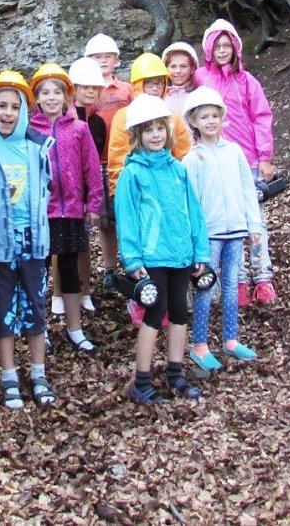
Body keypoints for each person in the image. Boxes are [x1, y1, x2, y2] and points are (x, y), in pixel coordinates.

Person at [115, 94, 209, 403]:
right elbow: (126, 217)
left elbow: (193, 212)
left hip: (181, 253)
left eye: (160, 128)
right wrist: (132, 258)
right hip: (152, 256)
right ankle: (142, 380)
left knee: (181, 311)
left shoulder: (178, 169)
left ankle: (175, 374)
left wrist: (200, 252)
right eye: (148, 130)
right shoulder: (133, 173)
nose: (155, 135)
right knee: (155, 313)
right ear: (137, 135)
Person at [0, 70, 56, 409]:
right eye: (1, 106)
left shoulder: (37, 147)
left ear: (24, 111)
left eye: (14, 107)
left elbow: (48, 188)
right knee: (2, 309)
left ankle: (38, 373)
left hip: (33, 241)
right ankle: (8, 375)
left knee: (36, 306)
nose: (7, 113)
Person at [193, 18, 277, 306]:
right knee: (227, 224)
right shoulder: (201, 78)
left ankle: (263, 278)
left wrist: (265, 157)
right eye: (217, 46)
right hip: (215, 160)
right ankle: (237, 282)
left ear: (236, 48)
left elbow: (261, 117)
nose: (222, 50)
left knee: (255, 221)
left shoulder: (247, 81)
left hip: (249, 159)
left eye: (227, 45)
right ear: (208, 49)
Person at [182, 87, 261, 371]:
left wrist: (254, 225)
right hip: (209, 235)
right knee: (205, 286)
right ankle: (199, 345)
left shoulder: (235, 151)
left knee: (231, 284)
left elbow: (247, 189)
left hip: (236, 230)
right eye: (204, 117)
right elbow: (190, 203)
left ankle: (231, 338)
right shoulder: (192, 160)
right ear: (194, 121)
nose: (211, 121)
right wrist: (195, 238)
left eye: (215, 115)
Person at [29, 63, 102, 356]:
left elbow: (92, 168)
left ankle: (75, 329)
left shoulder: (79, 129)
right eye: (44, 92)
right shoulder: (29, 131)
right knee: (39, 272)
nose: (50, 97)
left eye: (56, 92)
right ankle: (40, 329)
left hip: (71, 210)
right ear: (36, 97)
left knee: (70, 270)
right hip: (40, 213)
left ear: (66, 96)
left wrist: (93, 203)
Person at [49, 57, 106, 315]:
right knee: (57, 248)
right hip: (59, 198)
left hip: (81, 194)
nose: (90, 91)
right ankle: (57, 292)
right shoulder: (64, 117)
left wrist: (93, 198)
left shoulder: (95, 122)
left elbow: (93, 162)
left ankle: (84, 291)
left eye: (94, 87)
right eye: (85, 86)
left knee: (81, 246)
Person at [84, 33, 133, 292]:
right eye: (96, 57)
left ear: (116, 60)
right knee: (105, 221)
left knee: (126, 215)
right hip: (96, 163)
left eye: (107, 56)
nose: (102, 61)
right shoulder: (86, 90)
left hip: (124, 161)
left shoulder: (126, 90)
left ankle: (132, 265)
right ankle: (110, 269)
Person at [107, 52, 191, 200]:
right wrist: (118, 193)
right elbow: (118, 157)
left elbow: (184, 156)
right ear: (139, 85)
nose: (155, 88)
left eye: (159, 83)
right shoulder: (123, 116)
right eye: (149, 83)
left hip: (168, 188)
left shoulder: (173, 117)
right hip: (137, 187)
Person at [161, 41, 199, 118]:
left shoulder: (197, 95)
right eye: (173, 66)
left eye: (183, 66)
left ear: (192, 69)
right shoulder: (161, 95)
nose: (178, 71)